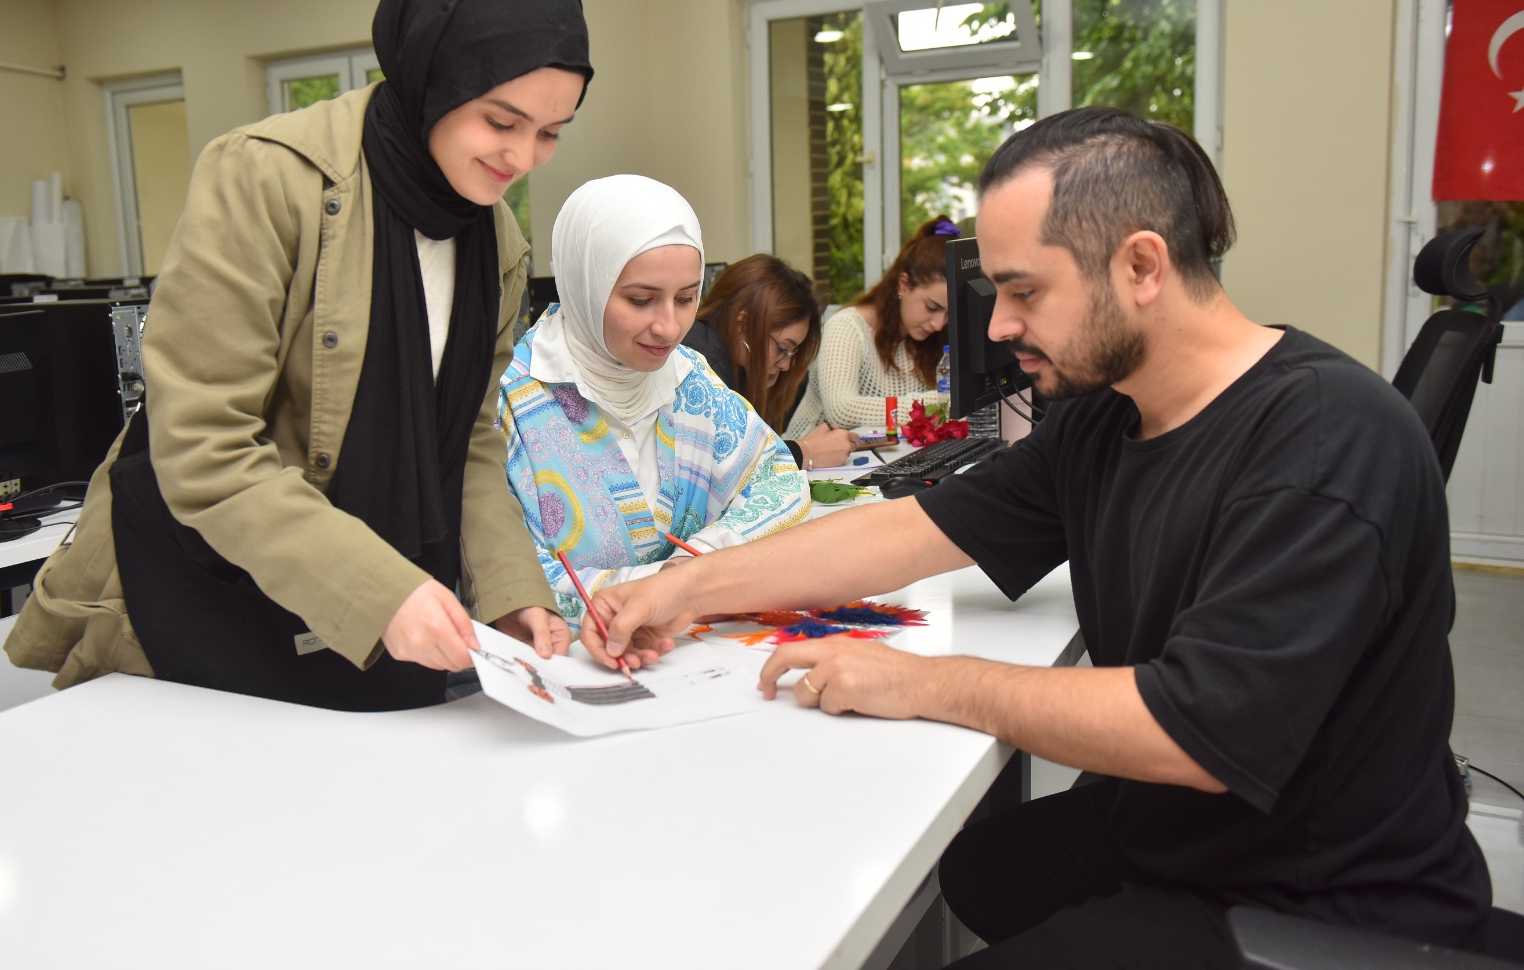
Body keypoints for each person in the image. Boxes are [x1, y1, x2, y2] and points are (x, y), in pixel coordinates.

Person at [582, 107, 1493, 964]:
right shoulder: (1108, 419)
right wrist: (685, 587)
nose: (999, 325)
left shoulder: (1326, 440)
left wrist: (925, 682)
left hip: (1311, 895)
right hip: (1188, 832)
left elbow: (1195, 734)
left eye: (1022, 291)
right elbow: (906, 531)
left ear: (1142, 267)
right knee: (982, 866)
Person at [3, 0, 592, 712]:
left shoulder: (493, 239)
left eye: (551, 133)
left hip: (386, 609)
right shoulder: (265, 178)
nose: (523, 159)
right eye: (500, 120)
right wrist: (380, 591)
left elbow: (470, 443)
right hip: (213, 598)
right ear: (431, 75)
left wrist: (514, 590)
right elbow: (204, 448)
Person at [498, 175, 811, 636]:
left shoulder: (688, 378)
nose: (669, 326)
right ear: (585, 285)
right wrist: (674, 589)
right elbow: (512, 578)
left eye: (686, 298)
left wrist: (687, 577)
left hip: (691, 662)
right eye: (641, 300)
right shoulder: (508, 402)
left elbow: (779, 484)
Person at [785, 216, 957, 438]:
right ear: (903, 285)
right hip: (810, 466)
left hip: (878, 461)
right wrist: (938, 401)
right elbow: (842, 412)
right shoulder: (847, 327)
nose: (938, 324)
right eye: (931, 307)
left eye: (948, 314)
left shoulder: (927, 340)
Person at [681, 254, 858, 468]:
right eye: (782, 348)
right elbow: (723, 470)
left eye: (791, 352)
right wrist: (806, 452)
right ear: (743, 326)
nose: (785, 365)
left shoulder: (728, 360)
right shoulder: (702, 363)